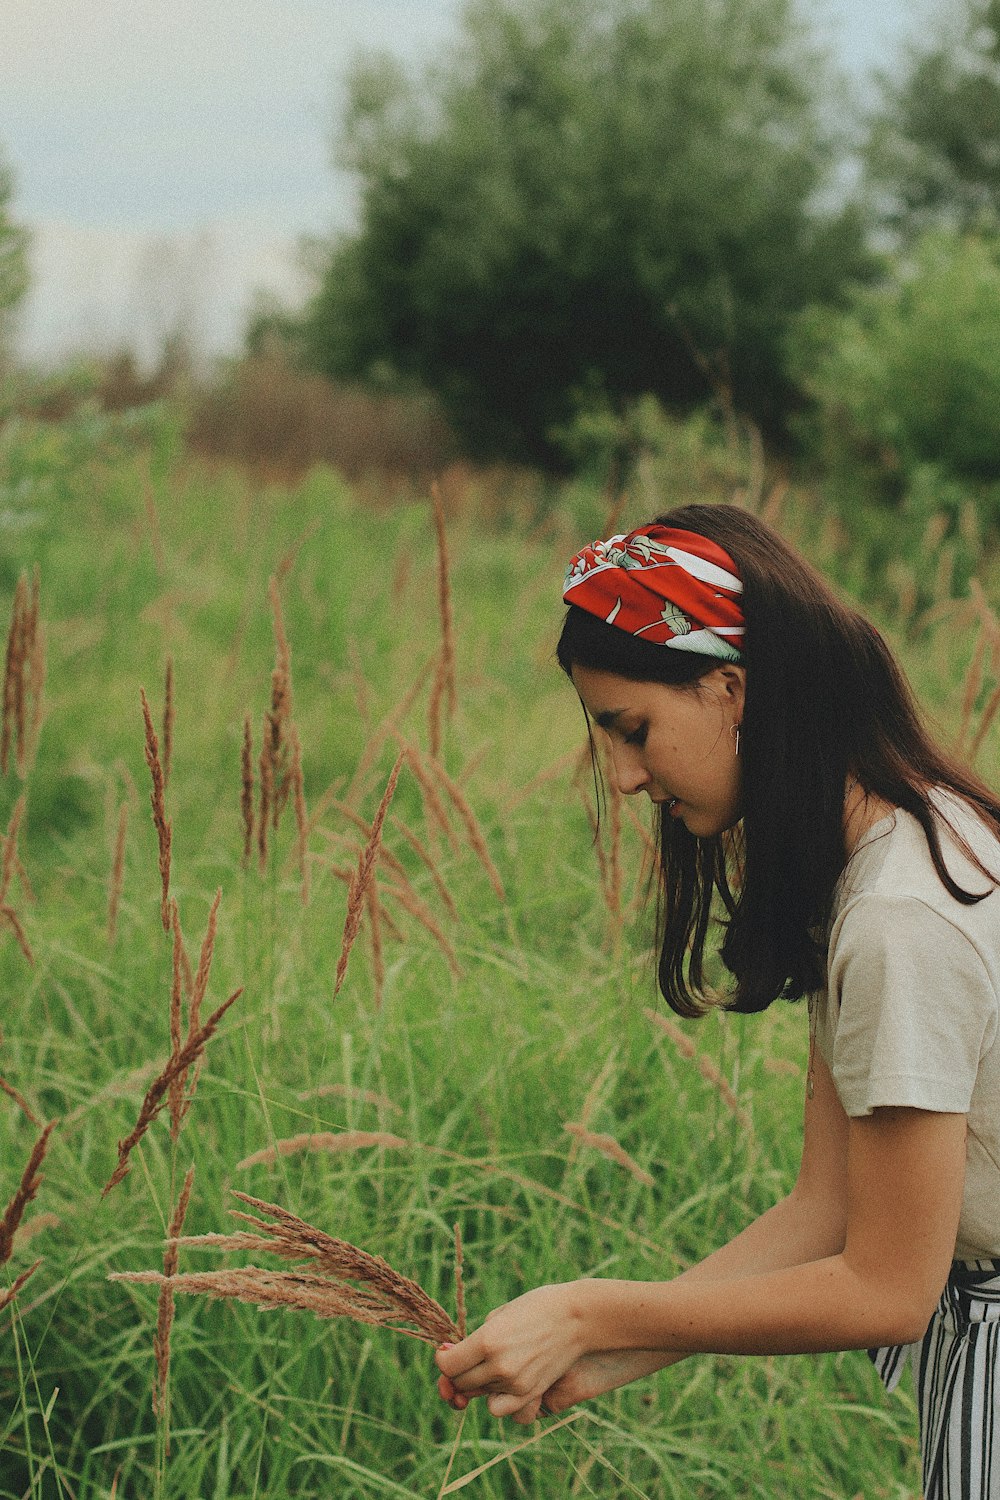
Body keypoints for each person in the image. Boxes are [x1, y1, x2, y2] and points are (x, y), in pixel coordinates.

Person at [435, 505, 1000, 1499]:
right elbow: (825, 1209)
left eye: (632, 728)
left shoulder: (899, 919)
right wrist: (622, 1347)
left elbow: (884, 1291)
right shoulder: (895, 849)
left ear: (730, 690)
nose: (618, 777)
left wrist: (590, 1310)